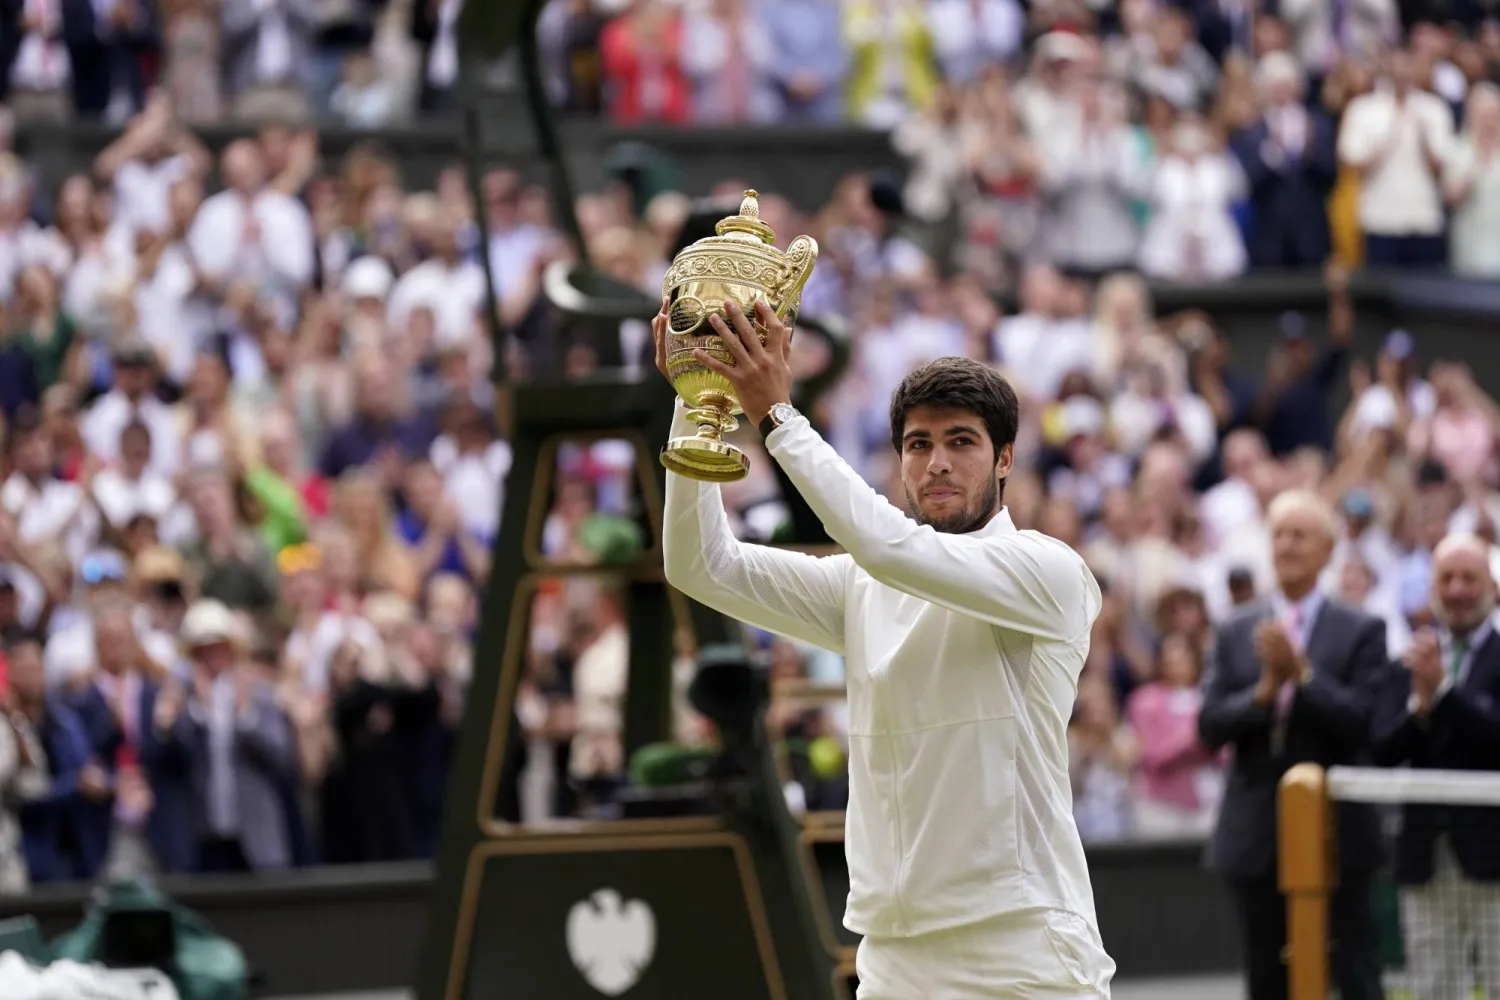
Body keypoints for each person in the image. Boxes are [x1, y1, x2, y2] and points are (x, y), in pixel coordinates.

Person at [656, 298, 1113, 998]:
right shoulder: (862, 587)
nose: (936, 463)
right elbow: (699, 564)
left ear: (1005, 461)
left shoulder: (1048, 572)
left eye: (961, 442)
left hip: (1023, 949)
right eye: (919, 444)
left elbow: (885, 546)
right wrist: (698, 402)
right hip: (895, 957)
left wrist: (778, 417)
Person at [1198, 489, 1386, 1000]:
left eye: (1300, 534)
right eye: (1278, 534)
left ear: (1328, 550)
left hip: (1338, 832)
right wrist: (1261, 695)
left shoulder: (1363, 628)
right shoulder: (1235, 629)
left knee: (1355, 970)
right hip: (1254, 831)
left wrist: (1302, 674)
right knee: (1266, 977)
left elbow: (1368, 724)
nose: (1286, 545)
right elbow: (1210, 724)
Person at [1371, 533, 1500, 1000]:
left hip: (1493, 859)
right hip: (1424, 857)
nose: (1458, 590)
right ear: (1432, 591)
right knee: (1431, 990)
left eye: (1470, 577)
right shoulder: (1408, 662)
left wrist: (1444, 693)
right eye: (1447, 578)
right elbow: (1381, 749)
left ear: (1493, 587)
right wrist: (1420, 709)